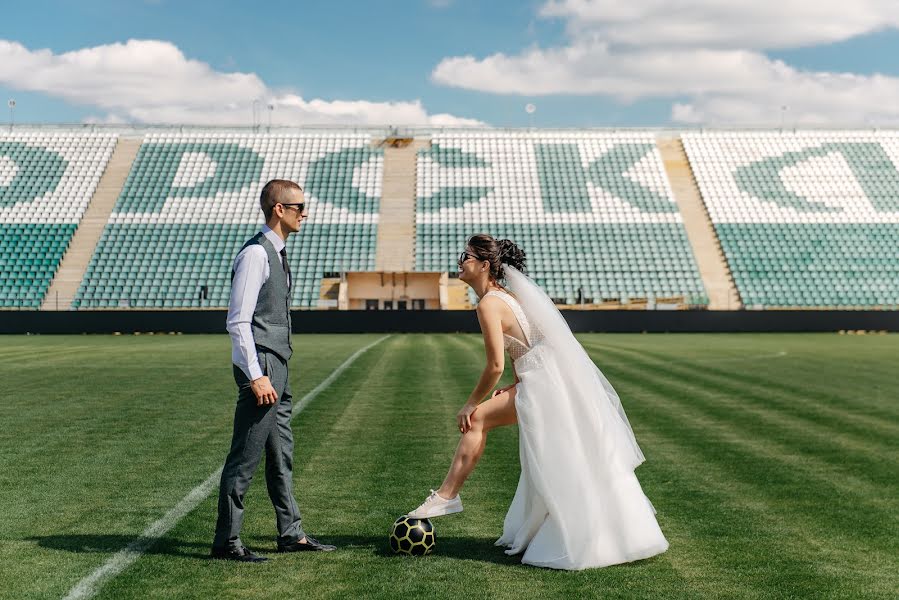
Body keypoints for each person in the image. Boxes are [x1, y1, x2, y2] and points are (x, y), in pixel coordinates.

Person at [407, 234, 669, 570]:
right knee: (564, 459)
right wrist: (515, 385)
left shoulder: (488, 303)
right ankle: (453, 498)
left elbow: (495, 365)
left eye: (466, 256)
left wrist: (471, 403)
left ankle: (446, 497)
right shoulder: (508, 296)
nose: (460, 262)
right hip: (546, 381)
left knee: (478, 420)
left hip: (543, 385)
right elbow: (532, 344)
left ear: (485, 265)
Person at [211, 179, 335, 562]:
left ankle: (291, 533)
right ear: (278, 209)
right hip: (262, 366)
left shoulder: (276, 252)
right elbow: (238, 321)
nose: (305, 213)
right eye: (299, 207)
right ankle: (227, 542)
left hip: (276, 364)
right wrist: (256, 375)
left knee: (281, 455)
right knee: (245, 457)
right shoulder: (256, 254)